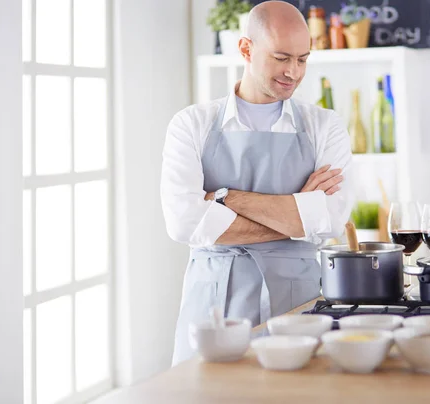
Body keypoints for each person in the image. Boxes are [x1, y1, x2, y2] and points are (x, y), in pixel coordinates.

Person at [161, 0, 353, 366]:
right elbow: (184, 222)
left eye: (303, 59)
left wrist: (224, 198)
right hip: (213, 308)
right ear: (246, 49)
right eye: (281, 58)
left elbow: (329, 220)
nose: (293, 72)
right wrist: (296, 214)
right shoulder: (191, 124)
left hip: (298, 307)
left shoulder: (325, 126)